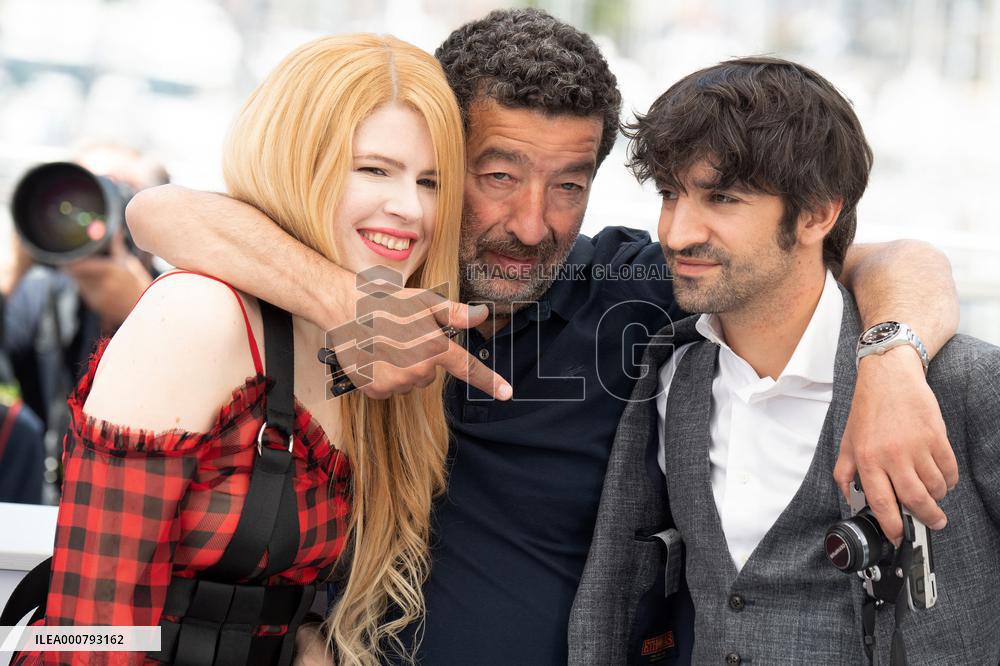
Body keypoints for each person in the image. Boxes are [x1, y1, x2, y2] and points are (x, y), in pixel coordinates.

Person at [128, 10, 962, 664]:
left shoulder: (637, 291)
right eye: (499, 176)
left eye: (569, 185)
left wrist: (892, 357)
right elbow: (161, 211)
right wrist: (351, 302)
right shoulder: (351, 266)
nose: (532, 225)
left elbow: (888, 257)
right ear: (440, 157)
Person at [11, 33, 472, 665]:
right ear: (297, 163)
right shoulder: (199, 315)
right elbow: (88, 633)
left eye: (431, 181)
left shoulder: (368, 345)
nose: (409, 208)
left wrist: (305, 636)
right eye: (374, 169)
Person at [576, 56, 1000, 664]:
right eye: (670, 194)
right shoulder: (670, 376)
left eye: (722, 198)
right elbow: (619, 590)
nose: (676, 232)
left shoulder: (961, 385)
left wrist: (890, 361)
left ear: (817, 214)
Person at [2, 144, 165, 502]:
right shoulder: (42, 296)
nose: (90, 209)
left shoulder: (179, 299)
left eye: (118, 191)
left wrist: (144, 310)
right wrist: (13, 270)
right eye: (79, 190)